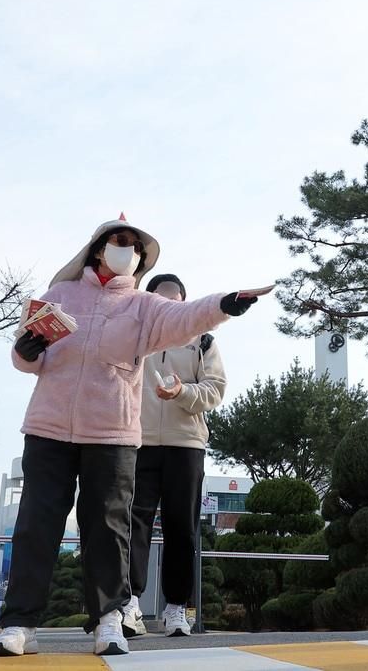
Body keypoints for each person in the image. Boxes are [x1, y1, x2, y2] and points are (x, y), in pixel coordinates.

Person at [0, 220, 260, 658]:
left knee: (110, 528)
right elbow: (27, 360)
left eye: (137, 248)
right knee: (36, 528)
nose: (129, 251)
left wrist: (225, 304)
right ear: (98, 249)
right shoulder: (59, 295)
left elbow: (186, 316)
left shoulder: (143, 305)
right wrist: (25, 352)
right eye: (121, 242)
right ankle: (20, 623)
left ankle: (109, 619)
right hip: (49, 426)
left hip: (112, 432)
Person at [121, 273, 228, 639]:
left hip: (186, 444)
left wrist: (183, 392)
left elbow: (215, 391)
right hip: (139, 441)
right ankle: (130, 604)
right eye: (161, 296)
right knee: (134, 523)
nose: (168, 302)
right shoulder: (135, 336)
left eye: (175, 297)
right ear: (149, 300)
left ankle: (176, 609)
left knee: (182, 527)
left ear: (185, 302)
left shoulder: (203, 340)